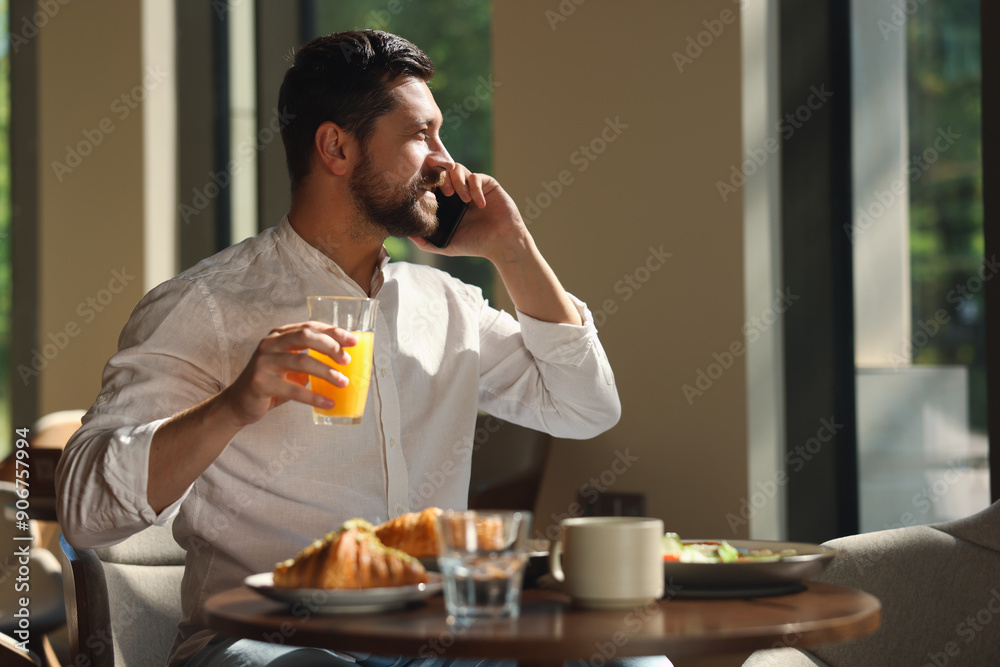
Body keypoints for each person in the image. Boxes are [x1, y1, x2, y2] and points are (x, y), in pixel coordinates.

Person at [57, 30, 647, 667]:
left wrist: (512, 248)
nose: (447, 163)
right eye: (422, 135)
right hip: (270, 645)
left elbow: (587, 409)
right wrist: (235, 404)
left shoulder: (446, 305)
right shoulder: (203, 306)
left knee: (630, 661)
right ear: (336, 146)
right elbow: (86, 513)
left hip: (439, 645)